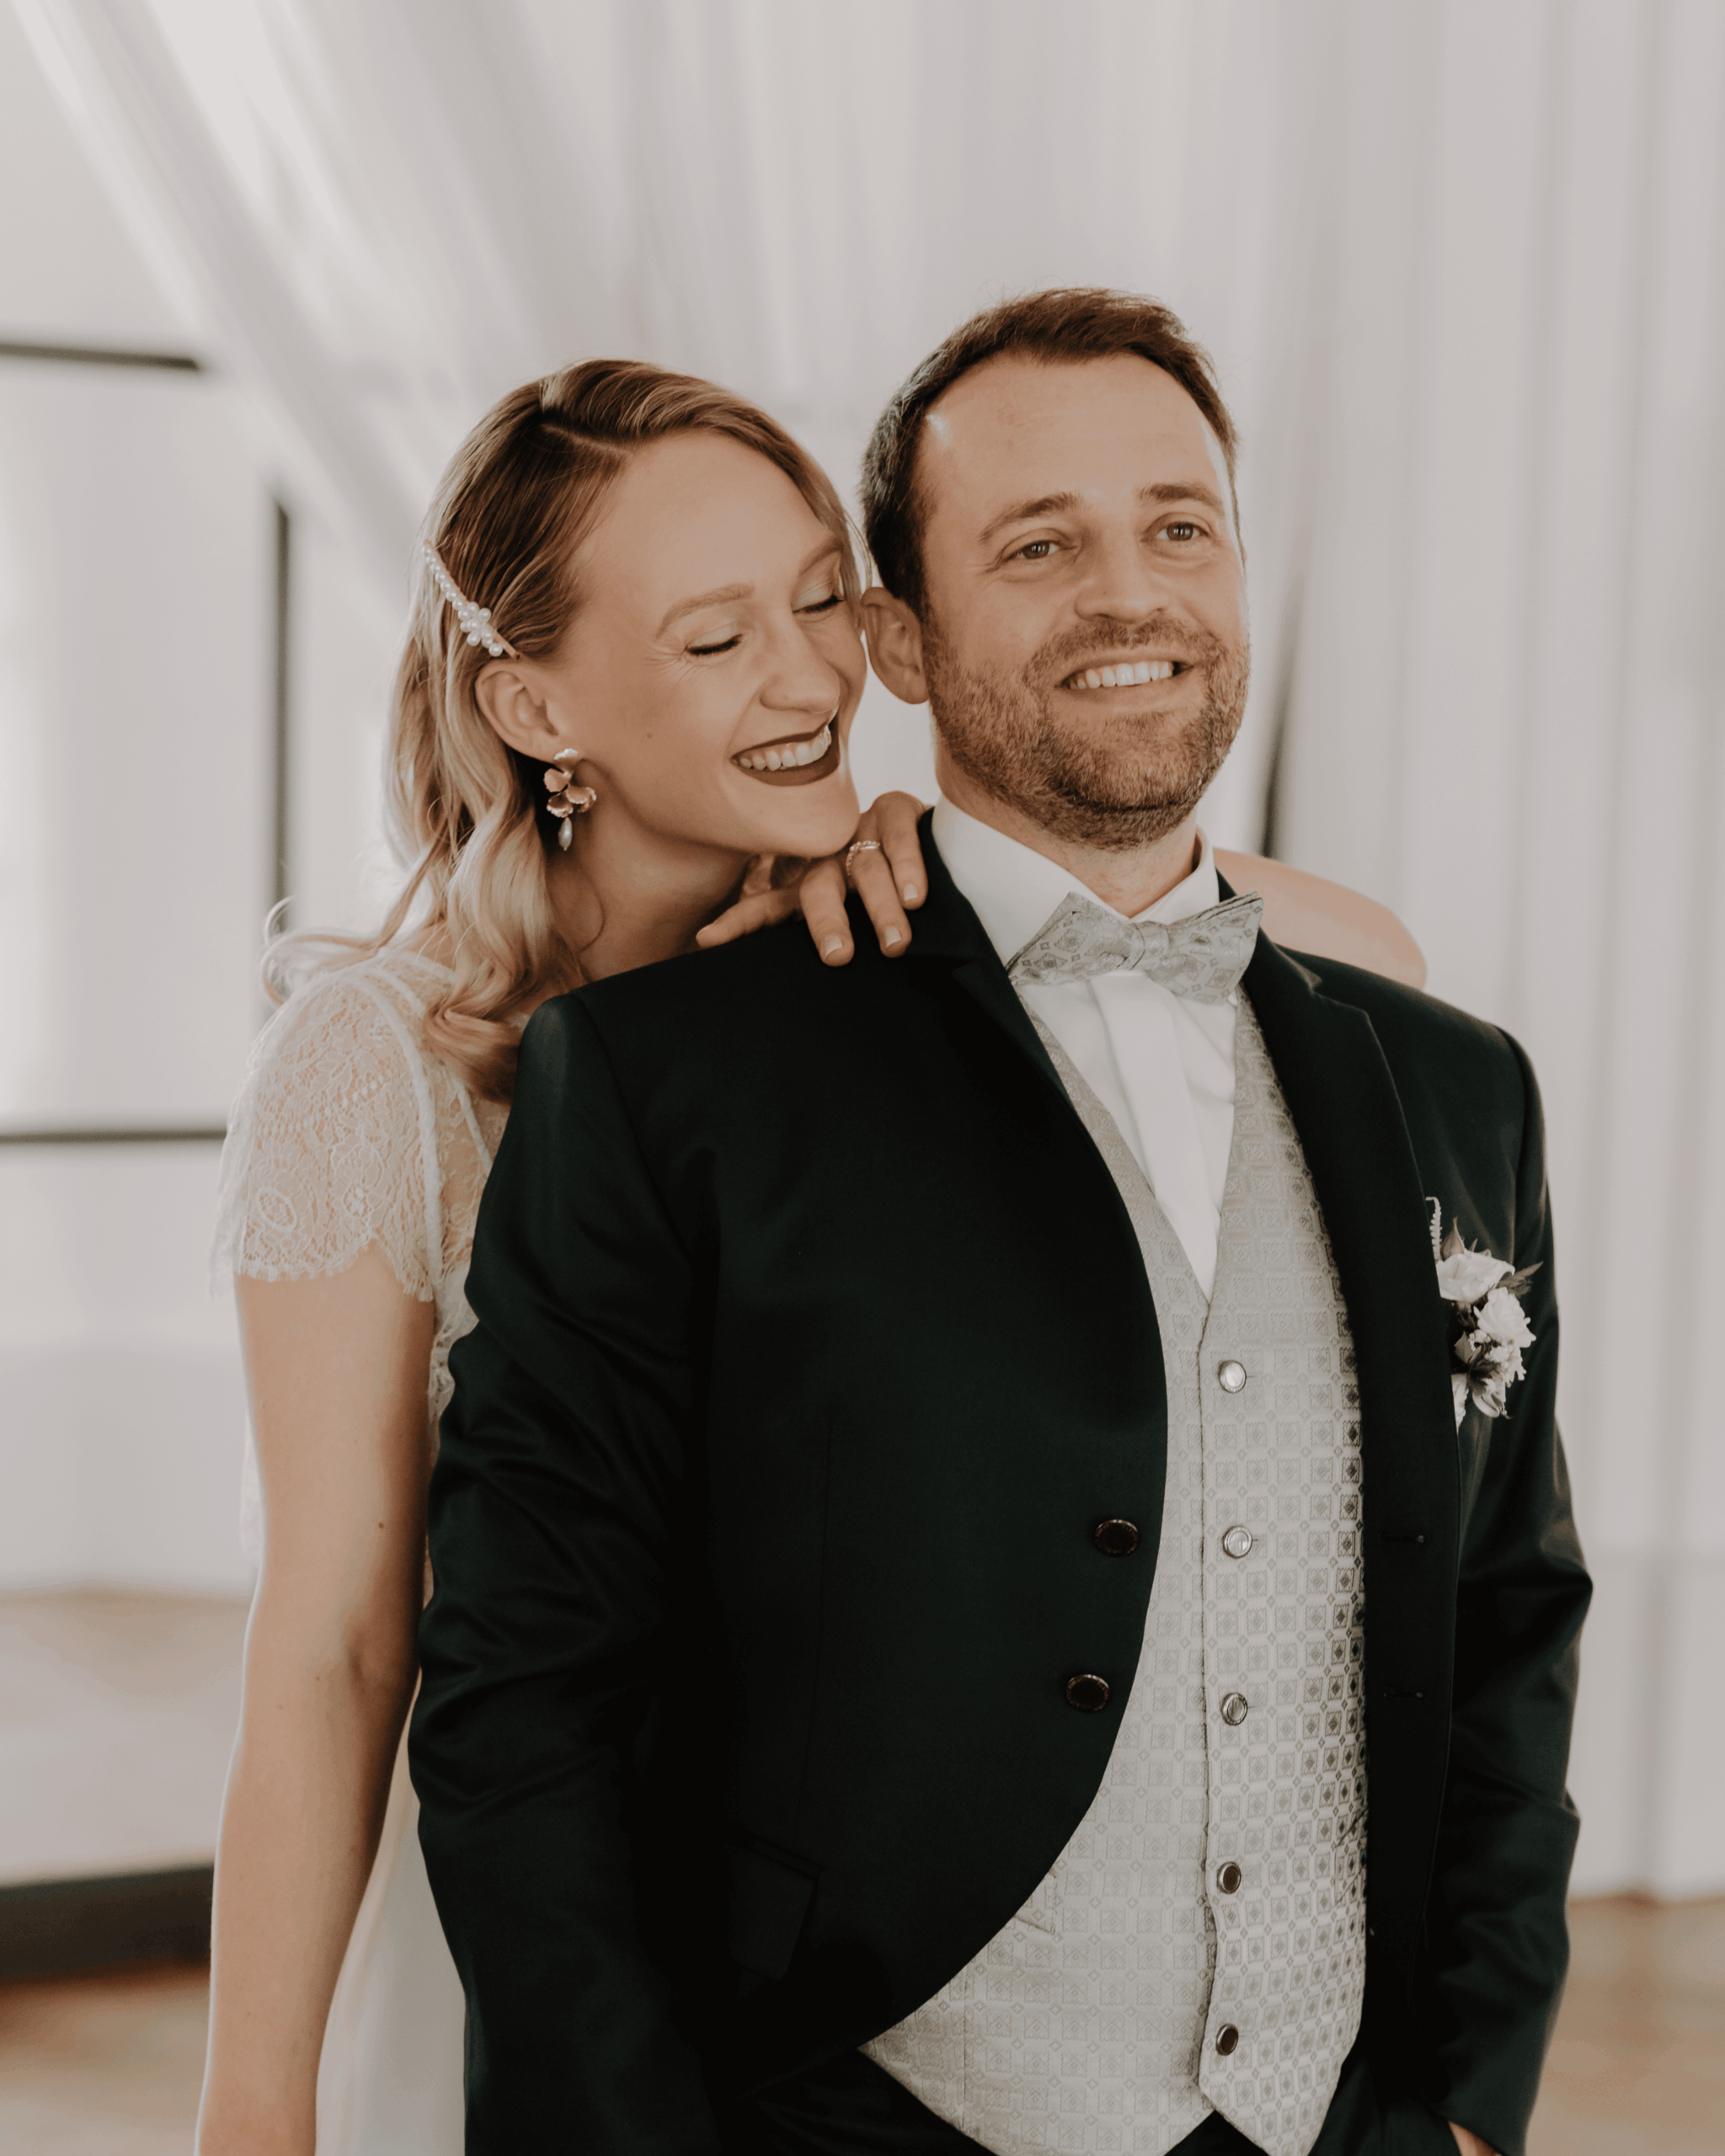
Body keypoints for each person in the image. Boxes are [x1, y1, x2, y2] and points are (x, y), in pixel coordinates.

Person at [196, 351, 1413, 2156]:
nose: (809, 676)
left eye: (822, 597)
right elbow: (338, 1643)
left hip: (850, 1970)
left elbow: (1364, 948)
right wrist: (254, 2102)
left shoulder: (898, 942)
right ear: (532, 701)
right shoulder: (375, 1066)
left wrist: (989, 865)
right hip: (546, 1922)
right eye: (713, 641)